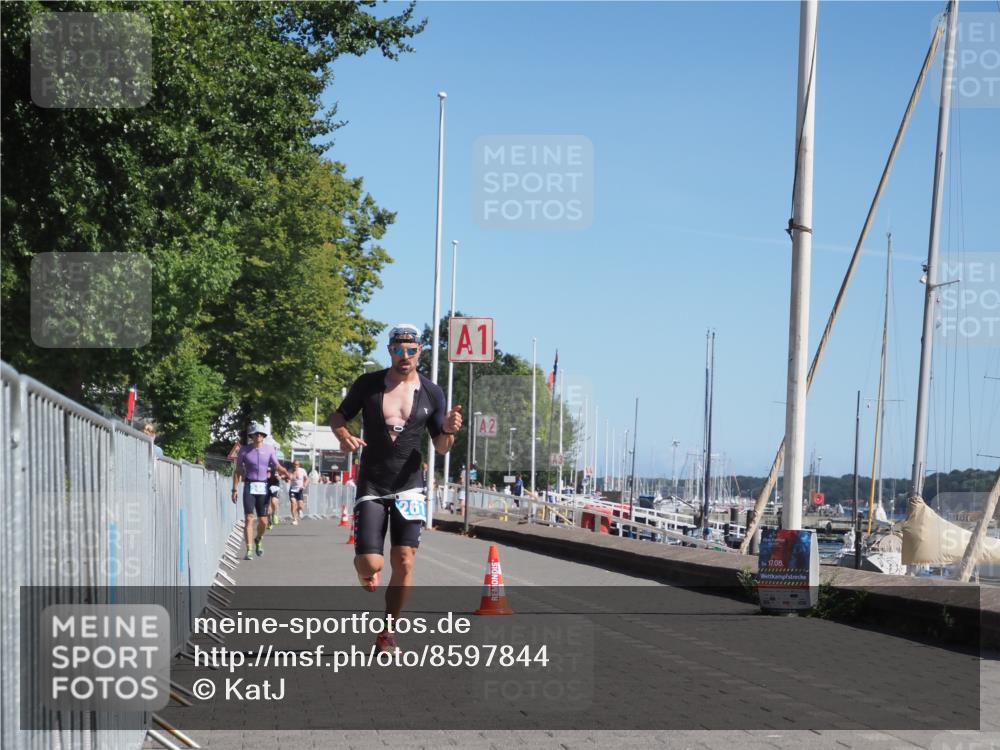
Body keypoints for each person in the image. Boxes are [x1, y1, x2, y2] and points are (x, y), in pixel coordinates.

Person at [330, 323, 462, 653]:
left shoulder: (432, 392)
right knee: (372, 565)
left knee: (404, 561)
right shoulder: (369, 384)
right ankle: (363, 568)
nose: (405, 356)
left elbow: (442, 446)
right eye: (398, 350)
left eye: (411, 350)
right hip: (373, 484)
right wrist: (343, 435)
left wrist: (448, 430)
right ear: (389, 351)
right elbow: (338, 417)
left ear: (420, 352)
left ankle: (388, 631)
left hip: (410, 488)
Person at [232, 422, 289, 560]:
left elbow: (277, 465)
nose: (258, 436)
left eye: (261, 434)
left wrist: (286, 473)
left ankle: (258, 539)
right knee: (249, 518)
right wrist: (234, 489)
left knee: (263, 521)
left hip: (263, 486)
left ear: (263, 436)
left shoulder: (269, 450)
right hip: (249, 486)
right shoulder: (244, 450)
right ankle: (249, 549)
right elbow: (238, 470)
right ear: (252, 436)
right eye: (256, 434)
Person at [288, 459, 309, 525]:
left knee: (300, 506)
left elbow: (307, 479)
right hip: (292, 490)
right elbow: (291, 478)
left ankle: (300, 510)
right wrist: (294, 472)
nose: (295, 466)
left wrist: (304, 485)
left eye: (297, 464)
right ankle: (295, 519)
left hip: (300, 490)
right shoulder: (290, 471)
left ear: (299, 465)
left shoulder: (302, 470)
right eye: (294, 464)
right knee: (293, 503)